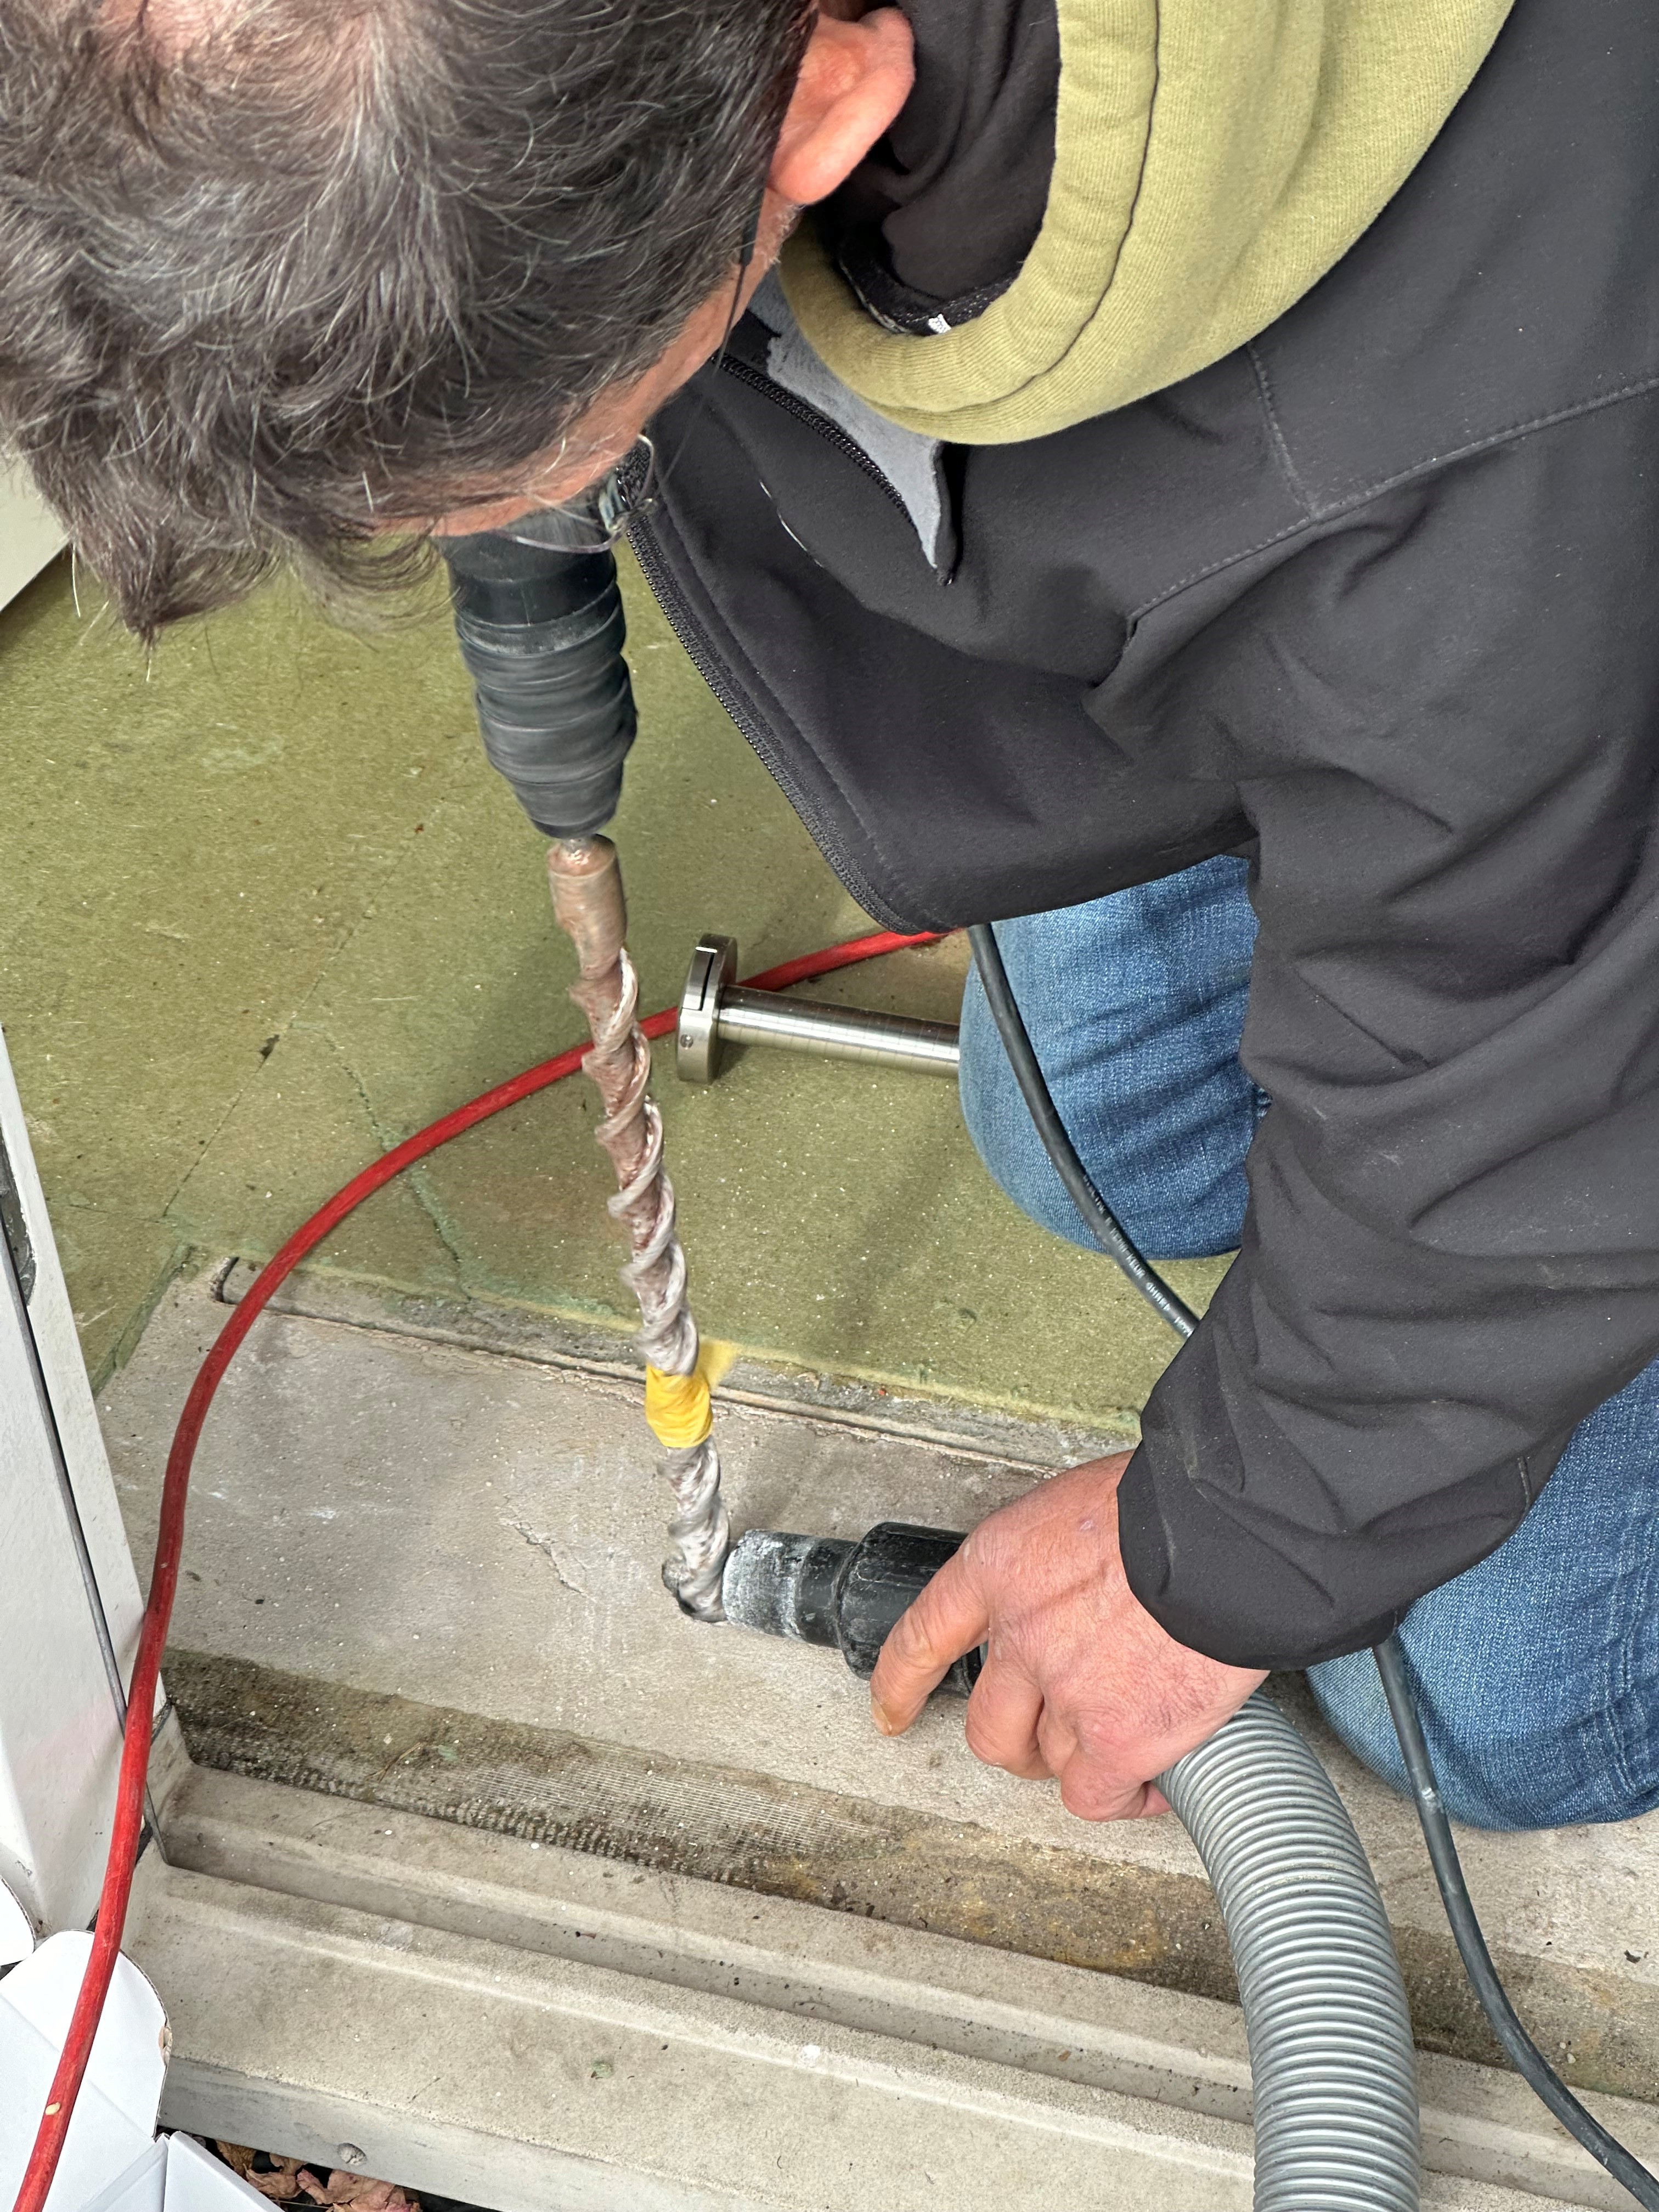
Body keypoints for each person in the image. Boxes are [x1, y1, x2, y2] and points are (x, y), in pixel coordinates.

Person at [5, 0, 1658, 1833]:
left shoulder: (1458, 473)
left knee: (1495, 1717)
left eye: (534, 461)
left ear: (814, 106)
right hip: (1417, 653)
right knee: (1097, 1136)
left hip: (1553, 580)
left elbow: (1537, 1066)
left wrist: (1209, 1564)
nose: (527, 512)